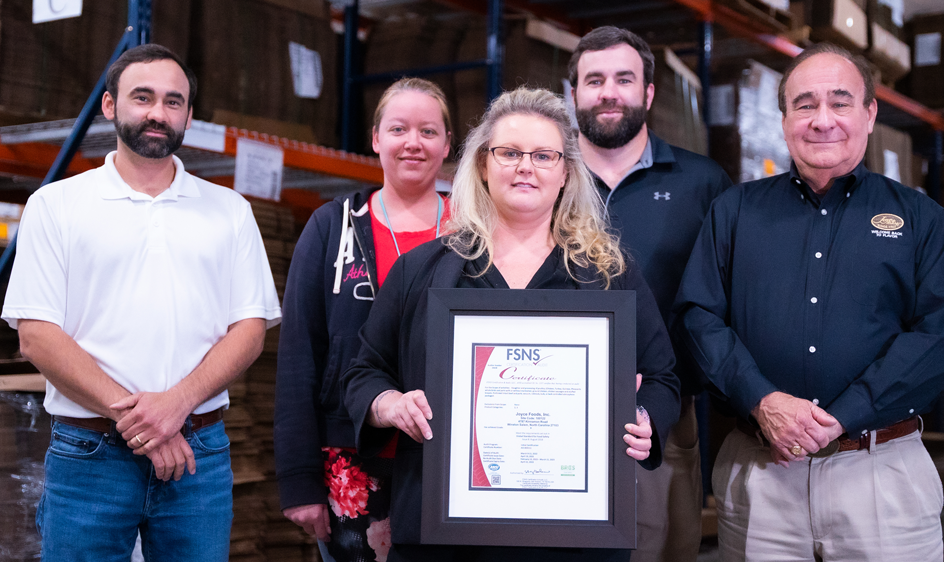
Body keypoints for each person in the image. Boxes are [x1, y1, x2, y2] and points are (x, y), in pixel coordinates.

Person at [340, 87, 682, 562]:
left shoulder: (610, 274)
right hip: (444, 536)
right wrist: (388, 404)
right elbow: (364, 373)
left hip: (576, 539)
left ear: (565, 171)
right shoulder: (421, 271)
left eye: (544, 155)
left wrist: (645, 419)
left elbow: (662, 377)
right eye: (509, 153)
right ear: (483, 164)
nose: (526, 166)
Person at [675, 43, 944, 561]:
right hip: (763, 475)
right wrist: (762, 400)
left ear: (870, 113)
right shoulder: (735, 212)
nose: (822, 120)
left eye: (841, 101)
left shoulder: (921, 219)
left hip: (880, 478)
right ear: (784, 117)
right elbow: (698, 316)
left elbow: (941, 337)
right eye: (805, 104)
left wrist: (844, 416)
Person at [1, 44, 281, 562]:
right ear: (110, 106)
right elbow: (37, 334)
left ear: (189, 116)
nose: (158, 112)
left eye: (174, 101)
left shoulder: (230, 211)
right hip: (91, 455)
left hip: (198, 453)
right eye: (143, 97)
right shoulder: (56, 205)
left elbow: (250, 329)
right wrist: (144, 425)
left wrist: (175, 406)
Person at [569, 26, 732, 562]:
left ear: (649, 93)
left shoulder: (702, 183)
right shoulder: (546, 178)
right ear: (574, 94)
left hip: (664, 413)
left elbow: (726, 301)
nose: (608, 92)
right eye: (594, 80)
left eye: (623, 78)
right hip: (553, 400)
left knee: (664, 548)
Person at [274, 77, 453, 562]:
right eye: (398, 129)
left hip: (453, 456)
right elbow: (298, 355)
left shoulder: (476, 234)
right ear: (376, 139)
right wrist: (298, 480)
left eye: (428, 131)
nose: (413, 143)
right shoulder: (333, 226)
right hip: (349, 461)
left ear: (447, 145)